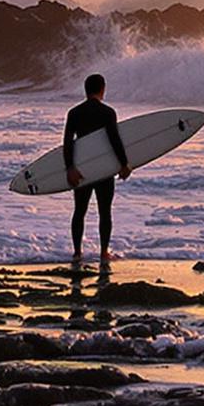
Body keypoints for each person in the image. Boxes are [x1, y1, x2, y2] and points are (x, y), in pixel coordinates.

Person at [63, 73, 130, 272]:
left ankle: (77, 252)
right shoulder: (108, 112)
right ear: (102, 89)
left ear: (85, 90)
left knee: (79, 211)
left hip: (82, 168)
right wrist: (123, 164)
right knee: (105, 212)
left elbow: (67, 143)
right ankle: (103, 253)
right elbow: (114, 140)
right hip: (103, 170)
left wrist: (70, 168)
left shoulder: (74, 113)